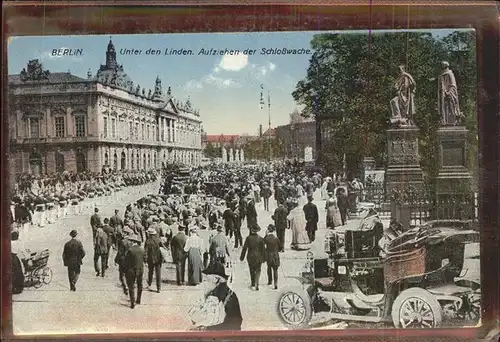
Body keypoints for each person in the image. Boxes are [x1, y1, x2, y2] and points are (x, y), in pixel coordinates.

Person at [189, 261, 243, 331]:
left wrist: (206, 329)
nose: (204, 283)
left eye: (206, 280)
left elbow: (234, 324)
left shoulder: (225, 296)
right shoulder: (214, 293)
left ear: (216, 279)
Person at [240, 224, 265, 291]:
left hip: (250, 256)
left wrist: (242, 257)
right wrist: (264, 258)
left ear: (251, 230)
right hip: (258, 257)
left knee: (252, 270)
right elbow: (263, 250)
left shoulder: (248, 238)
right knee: (258, 270)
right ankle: (257, 282)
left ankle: (253, 283)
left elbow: (244, 248)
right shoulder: (261, 238)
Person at [123, 234, 144, 309]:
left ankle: (132, 302)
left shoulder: (130, 250)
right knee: (139, 285)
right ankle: (138, 299)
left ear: (132, 241)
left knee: (131, 286)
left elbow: (126, 262)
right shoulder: (142, 249)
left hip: (131, 270)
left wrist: (124, 270)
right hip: (140, 269)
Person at [144, 227, 163, 293]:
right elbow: (163, 247)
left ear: (149, 234)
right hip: (158, 258)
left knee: (150, 272)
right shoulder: (158, 240)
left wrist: (145, 260)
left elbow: (145, 252)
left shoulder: (148, 241)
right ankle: (159, 288)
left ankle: (149, 283)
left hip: (150, 259)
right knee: (158, 273)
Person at [115, 229, 132, 295]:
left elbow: (120, 252)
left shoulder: (122, 242)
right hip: (129, 260)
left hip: (123, 260)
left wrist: (116, 260)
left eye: (124, 233)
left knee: (122, 275)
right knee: (128, 274)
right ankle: (128, 285)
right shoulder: (131, 242)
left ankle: (125, 286)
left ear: (125, 234)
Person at [264, 224, 280, 290]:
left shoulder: (267, 238)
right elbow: (280, 247)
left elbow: (263, 242)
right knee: (275, 270)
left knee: (269, 268)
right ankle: (275, 283)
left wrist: (265, 235)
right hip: (275, 255)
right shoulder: (276, 238)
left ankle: (270, 281)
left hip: (269, 255)